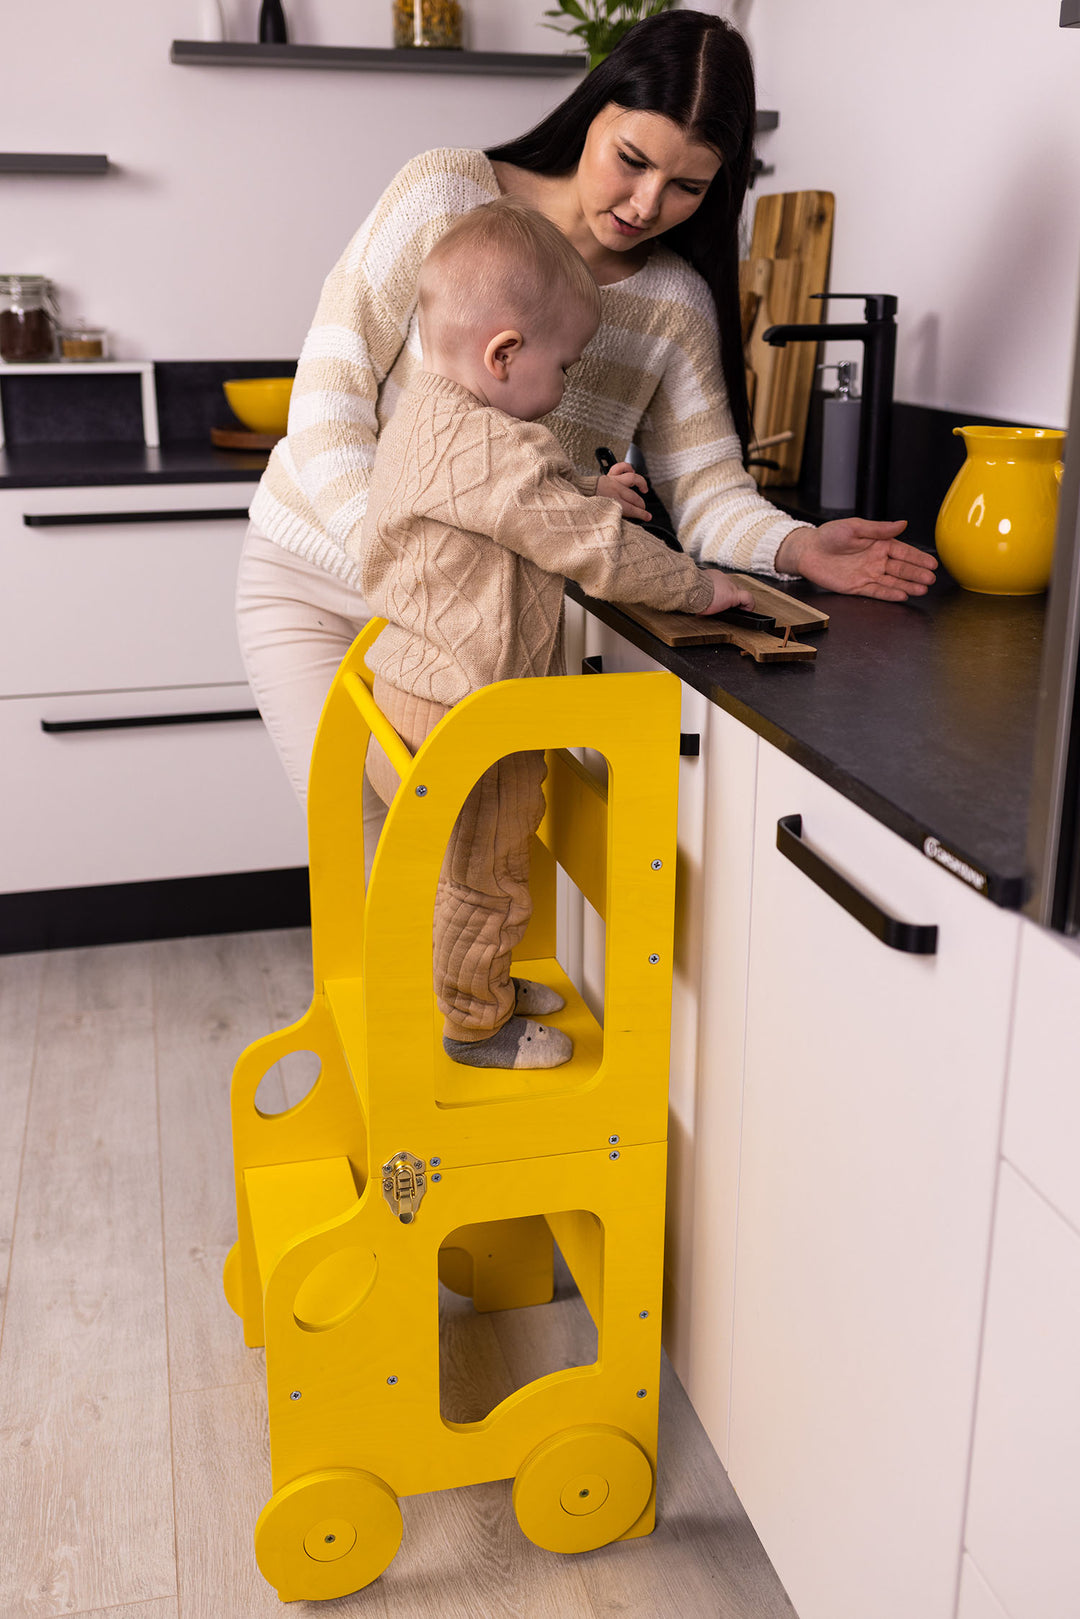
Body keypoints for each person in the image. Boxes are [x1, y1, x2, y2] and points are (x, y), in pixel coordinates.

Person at [235, 8, 936, 813]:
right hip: (315, 579)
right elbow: (330, 397)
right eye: (631, 160)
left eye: (687, 187)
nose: (645, 204)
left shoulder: (673, 303)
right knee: (373, 877)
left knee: (472, 887)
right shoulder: (446, 194)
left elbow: (706, 492)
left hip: (471, 630)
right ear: (593, 110)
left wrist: (798, 546)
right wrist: (404, 569)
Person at [358, 197, 749, 1071]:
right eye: (565, 366)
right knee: (491, 872)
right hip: (471, 712)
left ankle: (475, 982)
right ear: (504, 354)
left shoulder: (427, 414)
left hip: (408, 692)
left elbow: (506, 505)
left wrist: (581, 490)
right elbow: (598, 553)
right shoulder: (506, 453)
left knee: (466, 872)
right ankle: (475, 1023)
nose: (568, 385)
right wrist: (702, 585)